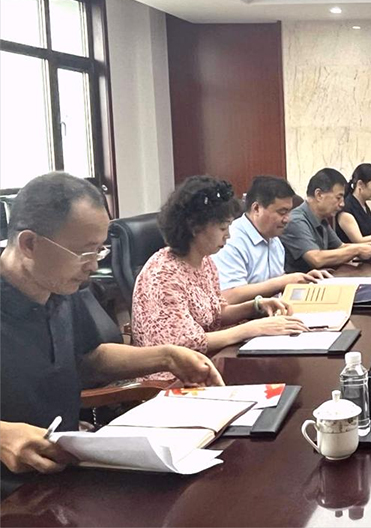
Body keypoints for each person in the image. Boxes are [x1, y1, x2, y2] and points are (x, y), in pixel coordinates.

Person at [0, 173, 223, 498]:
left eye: (99, 251)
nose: (93, 266)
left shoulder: (60, 287)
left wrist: (167, 356)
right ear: (30, 244)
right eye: (84, 253)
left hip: (60, 476)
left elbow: (90, 357)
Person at [131, 176, 309, 368]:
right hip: (175, 374)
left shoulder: (205, 261)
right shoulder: (163, 275)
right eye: (223, 228)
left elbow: (215, 313)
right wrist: (251, 329)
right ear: (195, 227)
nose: (228, 235)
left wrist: (255, 306)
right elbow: (184, 343)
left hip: (209, 361)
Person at [212, 175, 332, 304]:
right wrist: (282, 282)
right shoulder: (231, 241)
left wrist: (303, 279)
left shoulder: (273, 238)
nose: (287, 219)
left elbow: (276, 280)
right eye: (282, 212)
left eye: (289, 212)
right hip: (249, 315)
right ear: (256, 208)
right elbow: (229, 296)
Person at [280, 168, 371, 272]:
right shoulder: (296, 221)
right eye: (338, 198)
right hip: (301, 282)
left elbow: (341, 246)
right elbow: (316, 259)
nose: (342, 204)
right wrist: (357, 250)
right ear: (319, 195)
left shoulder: (321, 219)